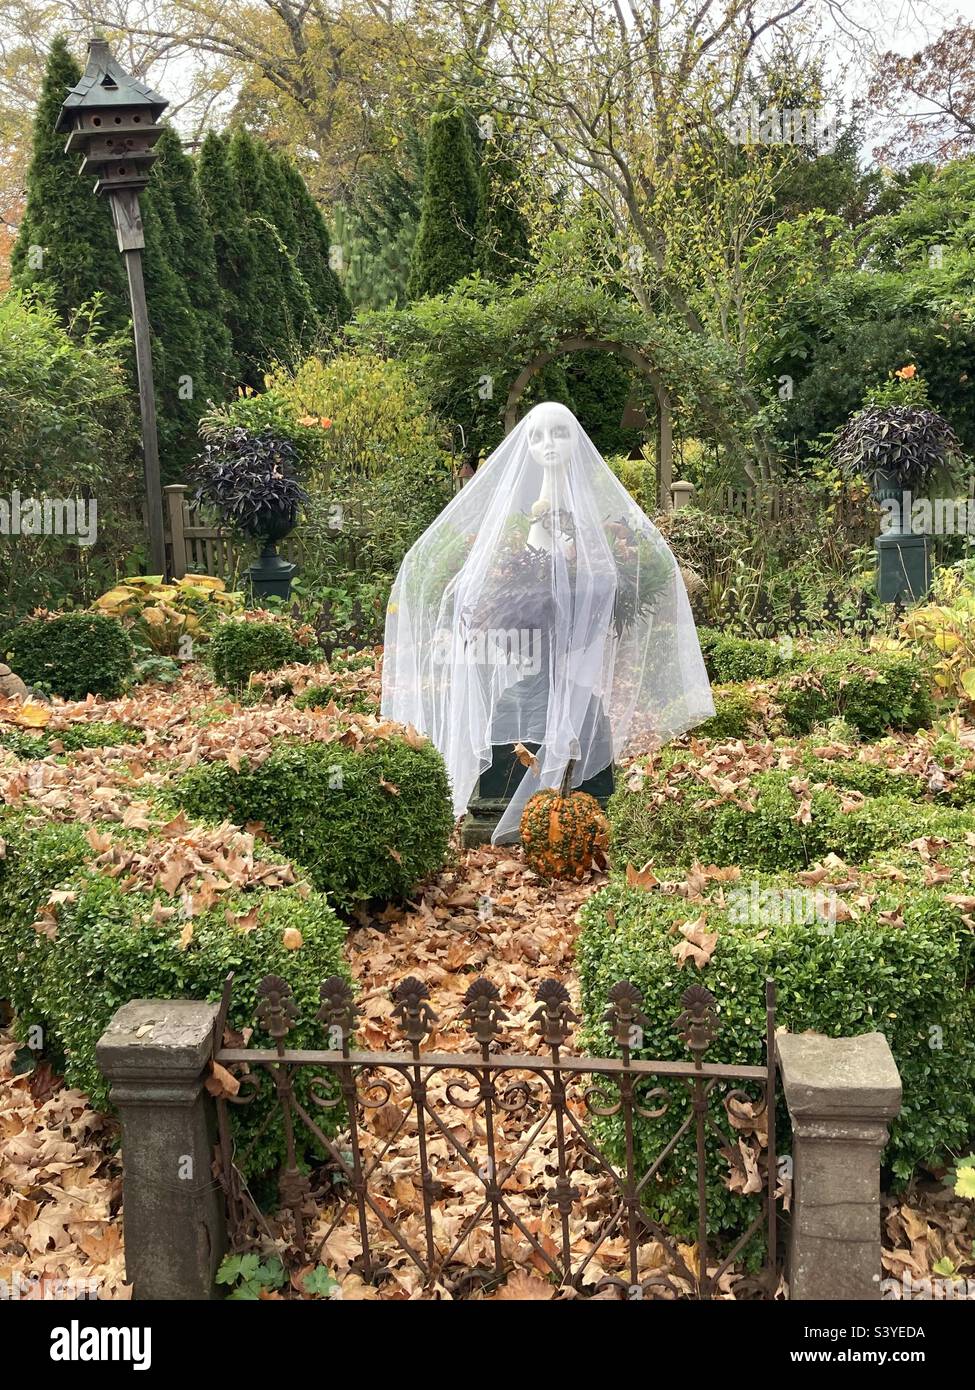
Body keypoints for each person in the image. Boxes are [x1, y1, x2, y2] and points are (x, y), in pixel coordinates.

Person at [381, 401, 714, 842]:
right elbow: (515, 569)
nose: (548, 445)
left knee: (570, 691)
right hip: (529, 608)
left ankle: (571, 780)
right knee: (531, 685)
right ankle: (515, 783)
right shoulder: (521, 515)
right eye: (537, 436)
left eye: (559, 434)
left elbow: (603, 573)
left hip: (561, 606)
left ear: (575, 440)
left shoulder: (587, 512)